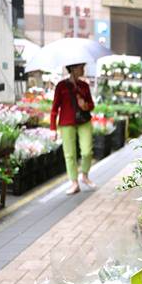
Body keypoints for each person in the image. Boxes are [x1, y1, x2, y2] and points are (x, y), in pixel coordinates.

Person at [50, 63, 95, 195]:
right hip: (66, 122)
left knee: (87, 151)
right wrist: (53, 128)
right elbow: (54, 108)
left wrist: (85, 105)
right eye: (81, 67)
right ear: (74, 69)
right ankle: (74, 183)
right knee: (69, 154)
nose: (83, 69)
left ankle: (85, 175)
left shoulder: (84, 85)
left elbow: (91, 105)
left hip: (84, 121)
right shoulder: (61, 86)